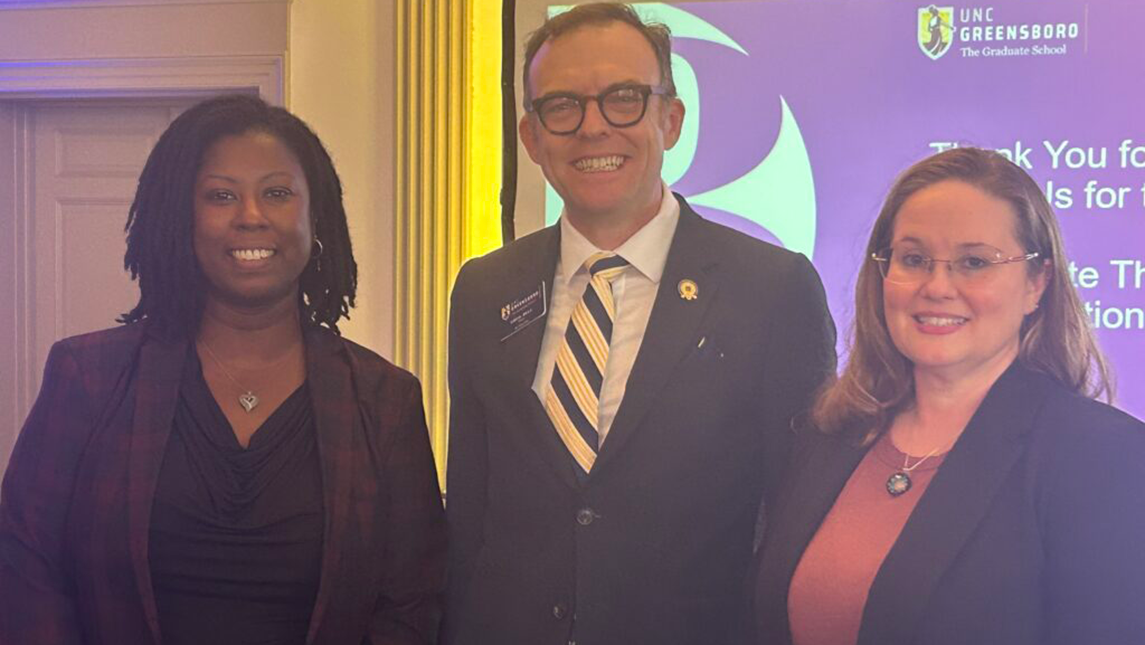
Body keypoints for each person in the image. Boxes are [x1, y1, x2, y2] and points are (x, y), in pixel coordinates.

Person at [444, 4, 836, 644]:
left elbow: (797, 520)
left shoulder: (773, 291)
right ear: (531, 136)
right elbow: (472, 507)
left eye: (623, 98)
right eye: (563, 105)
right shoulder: (485, 288)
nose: (593, 127)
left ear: (671, 118)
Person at [0, 94, 446, 645]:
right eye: (221, 196)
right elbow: (25, 570)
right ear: (180, 217)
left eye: (277, 193)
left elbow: (410, 601)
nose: (251, 215)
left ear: (316, 216)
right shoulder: (87, 377)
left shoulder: (384, 401)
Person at [750, 147, 1145, 645]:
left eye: (974, 262)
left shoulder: (1102, 457)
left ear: (1036, 284)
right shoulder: (831, 434)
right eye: (914, 259)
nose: (937, 286)